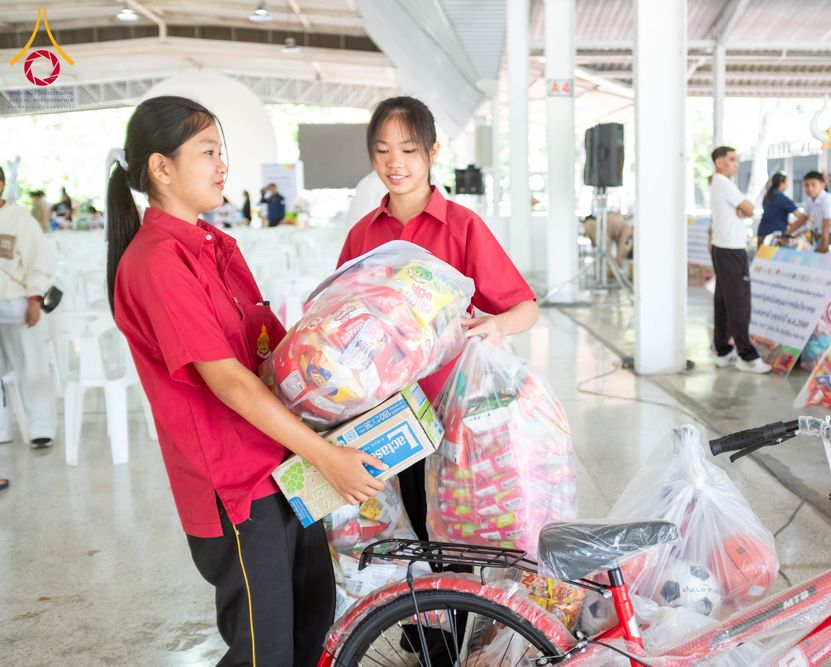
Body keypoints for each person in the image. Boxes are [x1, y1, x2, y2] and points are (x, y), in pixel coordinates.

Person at [106, 96, 386, 666]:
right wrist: (326, 456)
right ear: (161, 167)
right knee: (267, 651)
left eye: (220, 151)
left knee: (312, 625)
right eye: (208, 152)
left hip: (283, 465)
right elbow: (229, 383)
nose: (222, 165)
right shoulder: (157, 260)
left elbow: (271, 356)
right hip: (237, 487)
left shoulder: (215, 246)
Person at [337, 95, 539, 662]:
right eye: (381, 151)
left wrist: (495, 326)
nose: (393, 162)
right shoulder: (363, 235)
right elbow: (340, 316)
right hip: (386, 412)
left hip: (454, 410)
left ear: (431, 152)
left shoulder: (463, 226)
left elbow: (525, 306)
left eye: (406, 149)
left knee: (455, 530)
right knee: (407, 527)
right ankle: (426, 629)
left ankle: (454, 625)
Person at [0, 166, 56, 449]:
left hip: (19, 304)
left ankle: (40, 427)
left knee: (30, 365)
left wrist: (35, 300)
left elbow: (41, 262)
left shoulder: (20, 220)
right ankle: (3, 428)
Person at [708, 146, 771, 374]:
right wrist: (744, 209)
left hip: (723, 249)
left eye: (737, 160)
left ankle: (723, 351)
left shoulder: (718, 183)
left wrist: (743, 210)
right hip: (731, 251)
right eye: (732, 160)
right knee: (739, 303)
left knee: (724, 302)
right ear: (719, 163)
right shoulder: (724, 183)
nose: (736, 164)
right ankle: (747, 356)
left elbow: (744, 211)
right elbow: (749, 209)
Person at [787, 170, 831, 252]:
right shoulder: (810, 201)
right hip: (825, 238)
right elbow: (802, 219)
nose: (809, 188)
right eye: (806, 185)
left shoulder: (826, 200)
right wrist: (786, 233)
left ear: (823, 185)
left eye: (813, 185)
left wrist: (823, 248)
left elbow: (826, 227)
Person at [757, 172, 808, 247]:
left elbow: (774, 215)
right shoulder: (783, 199)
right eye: (786, 183)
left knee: (761, 258)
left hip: (762, 233)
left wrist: (789, 224)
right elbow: (801, 217)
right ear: (781, 184)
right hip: (775, 237)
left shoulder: (767, 196)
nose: (787, 185)